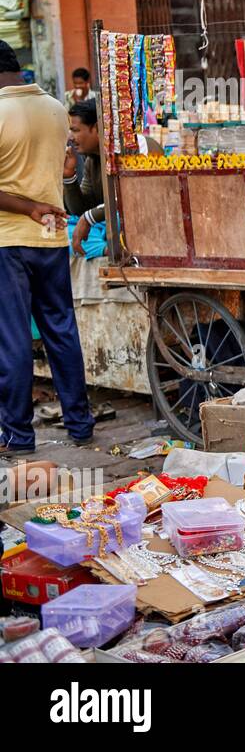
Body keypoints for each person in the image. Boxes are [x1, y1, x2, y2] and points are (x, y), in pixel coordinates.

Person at [0, 39, 95, 456]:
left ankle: (19, 436)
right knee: (61, 330)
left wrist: (28, 206)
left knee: (13, 339)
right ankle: (80, 424)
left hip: (8, 241)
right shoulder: (58, 109)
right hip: (51, 238)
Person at [62, 99, 106, 255]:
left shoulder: (130, 150)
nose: (70, 137)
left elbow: (126, 203)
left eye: (75, 130)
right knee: (55, 232)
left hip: (130, 223)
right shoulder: (91, 160)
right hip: (104, 227)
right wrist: (68, 175)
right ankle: (104, 248)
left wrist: (88, 218)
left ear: (96, 128)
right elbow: (80, 209)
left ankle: (106, 249)